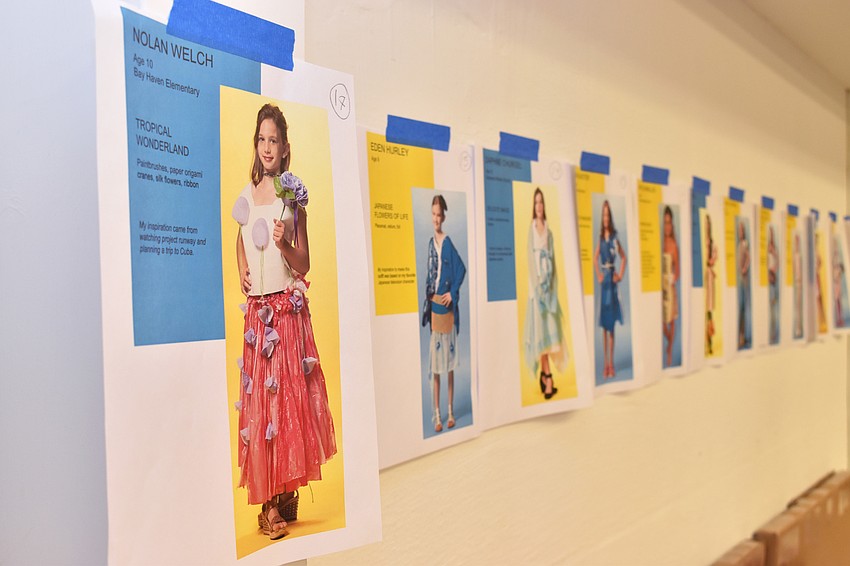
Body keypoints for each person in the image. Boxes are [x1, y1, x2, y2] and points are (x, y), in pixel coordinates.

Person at [231, 104, 336, 541]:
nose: (267, 146)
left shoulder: (292, 199)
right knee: (263, 406)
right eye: (261, 139)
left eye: (274, 140)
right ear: (255, 144)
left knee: (288, 401)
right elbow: (239, 240)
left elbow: (304, 260)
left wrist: (284, 243)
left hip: (287, 313)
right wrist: (242, 269)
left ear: (285, 147)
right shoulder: (247, 193)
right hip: (259, 314)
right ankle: (269, 503)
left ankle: (284, 491)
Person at [421, 195, 466, 431]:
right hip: (435, 307)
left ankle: (449, 413)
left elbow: (461, 269)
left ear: (444, 216)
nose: (436, 219)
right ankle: (436, 415)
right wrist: (429, 298)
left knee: (447, 365)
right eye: (433, 214)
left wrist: (453, 293)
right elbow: (430, 275)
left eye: (439, 215)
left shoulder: (447, 242)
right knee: (436, 365)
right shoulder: (431, 243)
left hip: (447, 309)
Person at [523, 188, 567, 398]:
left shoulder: (548, 231)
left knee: (550, 337)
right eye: (536, 202)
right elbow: (531, 263)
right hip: (536, 293)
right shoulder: (531, 231)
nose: (539, 206)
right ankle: (548, 379)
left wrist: (551, 288)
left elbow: (554, 262)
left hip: (549, 291)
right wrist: (539, 288)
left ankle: (545, 375)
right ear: (533, 206)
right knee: (540, 337)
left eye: (541, 202)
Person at [594, 200, 626, 379]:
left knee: (611, 326)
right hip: (604, 283)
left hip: (612, 285)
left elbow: (624, 257)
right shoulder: (600, 238)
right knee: (604, 327)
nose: (606, 218)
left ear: (610, 217)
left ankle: (611, 364)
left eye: (608, 214)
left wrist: (619, 275)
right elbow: (594, 258)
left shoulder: (614, 238)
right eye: (603, 215)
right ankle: (605, 363)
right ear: (602, 217)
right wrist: (599, 274)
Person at [661, 206, 680, 367]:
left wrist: (672, 278)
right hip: (660, 288)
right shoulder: (659, 242)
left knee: (671, 321)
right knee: (662, 321)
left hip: (670, 288)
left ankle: (670, 349)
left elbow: (678, 270)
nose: (667, 226)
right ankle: (668, 340)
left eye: (669, 223)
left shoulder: (674, 245)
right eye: (665, 222)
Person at [705, 214, 718, 355]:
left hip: (709, 280)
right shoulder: (703, 242)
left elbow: (713, 258)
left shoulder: (712, 244)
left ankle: (709, 343)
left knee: (709, 312)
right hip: (702, 281)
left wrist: (711, 261)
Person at [737, 220, 751, 349]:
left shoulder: (745, 244)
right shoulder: (738, 245)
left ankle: (743, 336)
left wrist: (745, 268)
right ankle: (740, 335)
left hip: (744, 279)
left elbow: (749, 257)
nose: (739, 232)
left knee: (744, 307)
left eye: (741, 230)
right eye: (738, 230)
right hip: (739, 280)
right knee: (740, 308)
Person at [767, 225, 780, 344]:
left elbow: (777, 264)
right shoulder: (766, 250)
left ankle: (773, 333)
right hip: (767, 283)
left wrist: (772, 272)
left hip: (772, 283)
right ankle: (769, 333)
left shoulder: (774, 251)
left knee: (773, 308)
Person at [832, 236, 845, 328]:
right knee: (835, 301)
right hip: (834, 282)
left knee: (839, 301)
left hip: (838, 281)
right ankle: (837, 319)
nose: (835, 247)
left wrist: (839, 272)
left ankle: (840, 318)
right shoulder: (832, 257)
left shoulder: (838, 257)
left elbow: (842, 268)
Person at [793, 232, 803, 339]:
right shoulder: (794, 256)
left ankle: (800, 328)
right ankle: (797, 328)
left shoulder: (800, 256)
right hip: (795, 283)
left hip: (800, 283)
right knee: (797, 307)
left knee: (800, 306)